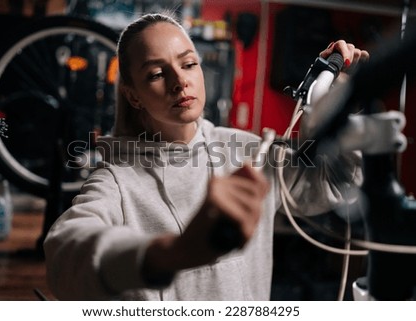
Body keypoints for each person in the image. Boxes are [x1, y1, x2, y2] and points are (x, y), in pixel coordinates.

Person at [43, 12, 369, 300]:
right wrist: (171, 253)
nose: (179, 81)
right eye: (157, 74)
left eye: (188, 64)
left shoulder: (249, 152)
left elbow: (336, 186)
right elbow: (64, 256)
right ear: (133, 95)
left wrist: (343, 103)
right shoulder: (117, 181)